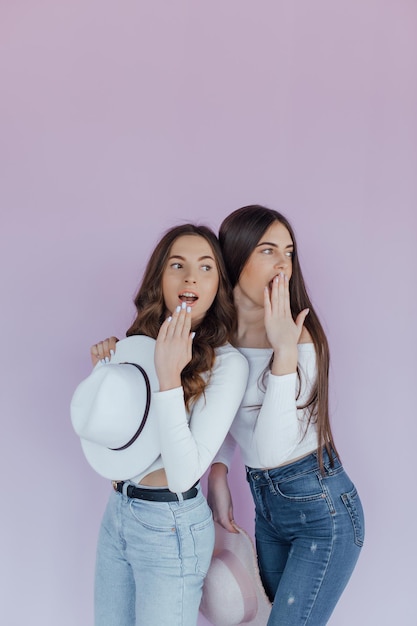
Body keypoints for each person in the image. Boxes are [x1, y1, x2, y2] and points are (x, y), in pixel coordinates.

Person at [83, 223, 249, 626]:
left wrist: (170, 378)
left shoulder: (228, 365)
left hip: (171, 526)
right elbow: (124, 439)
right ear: (160, 276)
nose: (191, 276)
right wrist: (109, 373)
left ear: (218, 286)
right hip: (119, 510)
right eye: (178, 264)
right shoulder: (138, 343)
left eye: (206, 267)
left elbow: (182, 475)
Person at [206, 204, 365, 625]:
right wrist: (219, 470)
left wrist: (284, 352)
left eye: (289, 251)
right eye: (268, 250)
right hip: (269, 510)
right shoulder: (216, 336)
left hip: (322, 509)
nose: (284, 264)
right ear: (235, 257)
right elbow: (226, 409)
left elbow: (275, 446)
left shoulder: (299, 335)